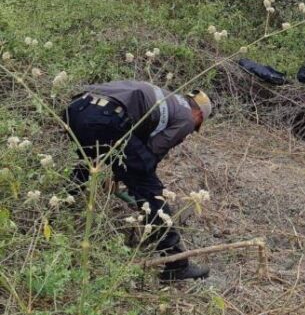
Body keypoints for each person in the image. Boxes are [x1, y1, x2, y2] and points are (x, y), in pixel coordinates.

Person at [64, 80, 212, 281]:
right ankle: (176, 263)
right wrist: (136, 180)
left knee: (86, 164)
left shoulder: (168, 97)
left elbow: (131, 144)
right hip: (108, 118)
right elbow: (150, 154)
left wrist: (120, 172)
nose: (191, 130)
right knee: (150, 189)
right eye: (197, 126)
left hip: (77, 108)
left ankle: (57, 209)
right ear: (199, 115)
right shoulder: (186, 117)